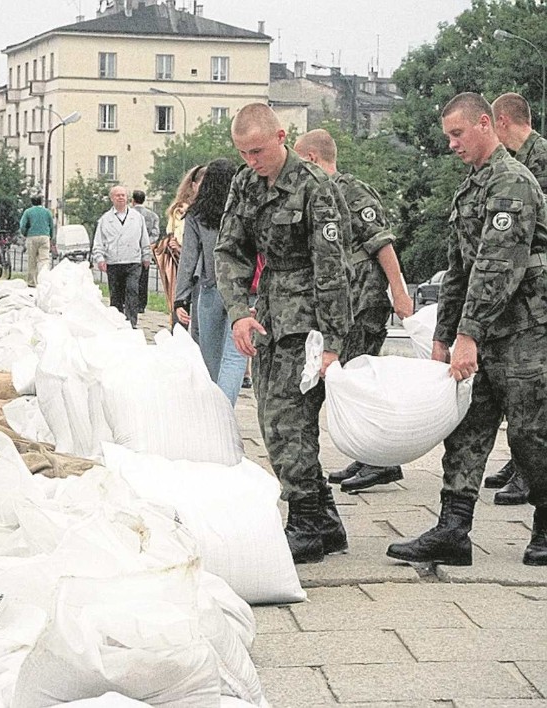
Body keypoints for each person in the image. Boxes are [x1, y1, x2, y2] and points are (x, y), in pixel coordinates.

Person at [386, 92, 547, 568]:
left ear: (485, 124)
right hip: (482, 332)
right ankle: (453, 530)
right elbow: (458, 270)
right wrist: (442, 337)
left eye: (457, 134)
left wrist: (468, 336)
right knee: (466, 430)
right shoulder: (471, 188)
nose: (452, 144)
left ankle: (545, 526)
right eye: (447, 137)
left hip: (525, 332)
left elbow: (499, 268)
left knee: (530, 434)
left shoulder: (512, 183)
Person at [215, 103, 352, 564]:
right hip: (270, 315)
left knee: (287, 421)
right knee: (273, 421)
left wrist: (334, 342)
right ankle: (324, 518)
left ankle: (308, 521)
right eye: (243, 152)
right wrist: (238, 311)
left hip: (309, 321)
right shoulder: (245, 183)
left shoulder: (316, 187)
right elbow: (230, 250)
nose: (251, 160)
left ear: (281, 136)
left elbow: (332, 268)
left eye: (256, 150)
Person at [294, 129, 414, 493]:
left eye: (300, 163)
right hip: (345, 301)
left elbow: (382, 243)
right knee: (350, 380)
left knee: (360, 380)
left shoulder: (351, 191)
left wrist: (399, 290)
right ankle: (370, 456)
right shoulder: (322, 193)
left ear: (313, 159)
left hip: (364, 300)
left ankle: (383, 460)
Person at [481, 92, 547, 505]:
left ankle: (531, 472)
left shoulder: (538, 161)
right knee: (517, 392)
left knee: (534, 393)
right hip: (522, 290)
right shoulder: (514, 164)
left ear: (502, 121)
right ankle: (520, 463)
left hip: (539, 289)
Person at [173, 158, 247, 406]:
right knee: (236, 358)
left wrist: (180, 297)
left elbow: (188, 258)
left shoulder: (196, 214)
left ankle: (214, 411)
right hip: (244, 290)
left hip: (211, 287)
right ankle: (225, 410)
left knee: (210, 358)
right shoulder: (245, 208)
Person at [154, 165, 205, 334]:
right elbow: (176, 236)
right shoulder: (184, 210)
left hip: (192, 262)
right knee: (183, 304)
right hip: (181, 261)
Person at [92, 184, 150, 328]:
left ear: (127, 198)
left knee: (132, 290)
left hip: (133, 261)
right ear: (112, 198)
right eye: (117, 195)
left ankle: (131, 322)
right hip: (114, 262)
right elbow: (98, 241)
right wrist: (100, 258)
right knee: (116, 294)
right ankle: (117, 322)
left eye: (123, 195)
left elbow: (144, 238)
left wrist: (146, 256)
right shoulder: (105, 219)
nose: (120, 198)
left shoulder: (137, 218)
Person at [131, 190, 160, 313]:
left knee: (131, 278)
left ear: (133, 200)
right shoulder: (153, 216)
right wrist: (147, 243)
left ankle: (130, 302)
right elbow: (156, 234)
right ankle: (141, 305)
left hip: (130, 250)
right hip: (145, 251)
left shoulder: (128, 214)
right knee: (143, 278)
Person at [19, 194, 54, 286]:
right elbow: (51, 225)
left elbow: (22, 225)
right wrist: (51, 236)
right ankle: (44, 280)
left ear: (32, 202)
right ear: (41, 202)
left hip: (32, 236)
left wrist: (25, 233)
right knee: (44, 259)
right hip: (45, 236)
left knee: (32, 259)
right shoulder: (47, 212)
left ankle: (31, 282)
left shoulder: (28, 212)